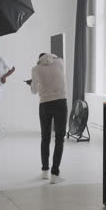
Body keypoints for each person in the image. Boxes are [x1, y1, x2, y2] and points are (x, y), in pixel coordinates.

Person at [29, 53, 67, 184]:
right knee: (59, 138)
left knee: (45, 138)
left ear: (38, 59)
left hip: (44, 103)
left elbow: (34, 91)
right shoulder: (60, 62)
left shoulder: (35, 69)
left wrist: (34, 84)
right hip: (60, 102)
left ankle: (45, 171)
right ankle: (55, 175)